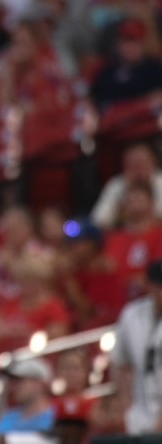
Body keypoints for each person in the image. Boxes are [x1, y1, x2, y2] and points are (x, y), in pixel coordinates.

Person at [111, 259, 162, 435]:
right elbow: (120, 364)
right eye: (157, 286)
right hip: (139, 410)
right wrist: (126, 407)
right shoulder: (132, 314)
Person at [91, 143, 162, 230]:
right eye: (134, 164)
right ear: (125, 166)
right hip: (126, 235)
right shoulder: (116, 185)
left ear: (153, 162)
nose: (139, 169)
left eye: (142, 163)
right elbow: (99, 220)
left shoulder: (160, 181)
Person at [0, 358, 56, 436]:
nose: (13, 386)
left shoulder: (57, 418)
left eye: (19, 381)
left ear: (39, 383)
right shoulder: (7, 419)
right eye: (12, 381)